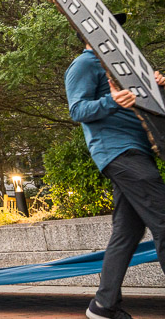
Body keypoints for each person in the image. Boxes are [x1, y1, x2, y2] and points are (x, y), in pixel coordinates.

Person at [65, 28, 165, 319]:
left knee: (128, 231)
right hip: (118, 152)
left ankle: (103, 306)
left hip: (137, 151)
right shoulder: (85, 63)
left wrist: (158, 86)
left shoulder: (126, 69)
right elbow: (77, 109)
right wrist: (111, 101)